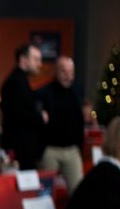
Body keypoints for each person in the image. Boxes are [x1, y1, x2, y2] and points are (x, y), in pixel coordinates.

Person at [34, 56, 85, 187]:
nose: (68, 76)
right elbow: (31, 106)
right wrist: (39, 112)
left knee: (78, 192)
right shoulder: (43, 92)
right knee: (45, 191)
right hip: (50, 150)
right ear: (56, 72)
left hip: (72, 150)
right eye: (64, 71)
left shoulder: (77, 90)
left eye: (71, 72)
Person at [0, 43, 46, 171]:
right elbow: (18, 115)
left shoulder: (19, 81)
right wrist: (40, 116)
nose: (39, 64)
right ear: (23, 60)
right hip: (20, 152)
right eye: (36, 59)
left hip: (21, 150)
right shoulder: (15, 82)